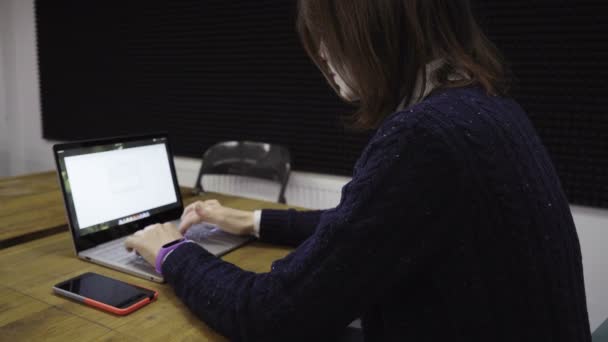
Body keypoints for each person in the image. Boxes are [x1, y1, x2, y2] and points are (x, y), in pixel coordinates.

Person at [125, 1, 592, 341]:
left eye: (326, 34)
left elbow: (269, 315)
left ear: (372, 21)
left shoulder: (423, 137)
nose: (323, 57)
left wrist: (172, 252)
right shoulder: (485, 110)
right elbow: (372, 228)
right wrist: (252, 220)